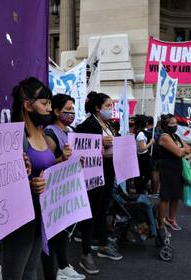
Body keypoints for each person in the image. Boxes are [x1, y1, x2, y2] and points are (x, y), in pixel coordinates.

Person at [0, 77, 57, 280]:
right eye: (45, 103)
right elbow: (2, 182)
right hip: (21, 217)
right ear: (27, 105)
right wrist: (28, 185)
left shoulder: (42, 133)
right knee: (14, 273)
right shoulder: (14, 137)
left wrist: (67, 164)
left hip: (42, 212)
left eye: (50, 103)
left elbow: (45, 169)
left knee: (31, 268)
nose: (50, 108)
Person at [76, 91, 122, 275]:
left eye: (111, 106)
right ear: (97, 107)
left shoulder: (107, 123)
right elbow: (81, 144)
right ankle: (86, 252)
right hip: (94, 171)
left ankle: (102, 243)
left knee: (103, 208)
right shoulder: (88, 124)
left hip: (108, 170)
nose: (111, 110)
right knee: (91, 210)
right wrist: (98, 142)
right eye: (108, 106)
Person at [41, 94, 85, 280]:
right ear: (57, 111)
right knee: (51, 235)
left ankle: (64, 266)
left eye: (73, 109)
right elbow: (46, 166)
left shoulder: (70, 132)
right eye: (68, 109)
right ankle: (51, 274)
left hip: (67, 190)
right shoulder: (50, 133)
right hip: (53, 192)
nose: (72, 112)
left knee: (63, 232)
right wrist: (63, 159)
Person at [158, 114, 191, 231]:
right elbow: (178, 153)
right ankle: (160, 222)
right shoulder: (164, 136)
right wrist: (182, 150)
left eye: (175, 123)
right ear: (165, 125)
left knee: (176, 196)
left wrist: (182, 150)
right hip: (167, 169)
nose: (175, 126)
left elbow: (189, 149)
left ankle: (171, 219)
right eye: (172, 124)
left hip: (178, 168)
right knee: (166, 197)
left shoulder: (176, 136)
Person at [134, 115, 155, 194]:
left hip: (142, 157)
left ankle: (140, 190)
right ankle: (140, 191)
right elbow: (142, 148)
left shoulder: (140, 132)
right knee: (144, 175)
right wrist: (150, 143)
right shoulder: (141, 134)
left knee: (143, 175)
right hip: (142, 157)